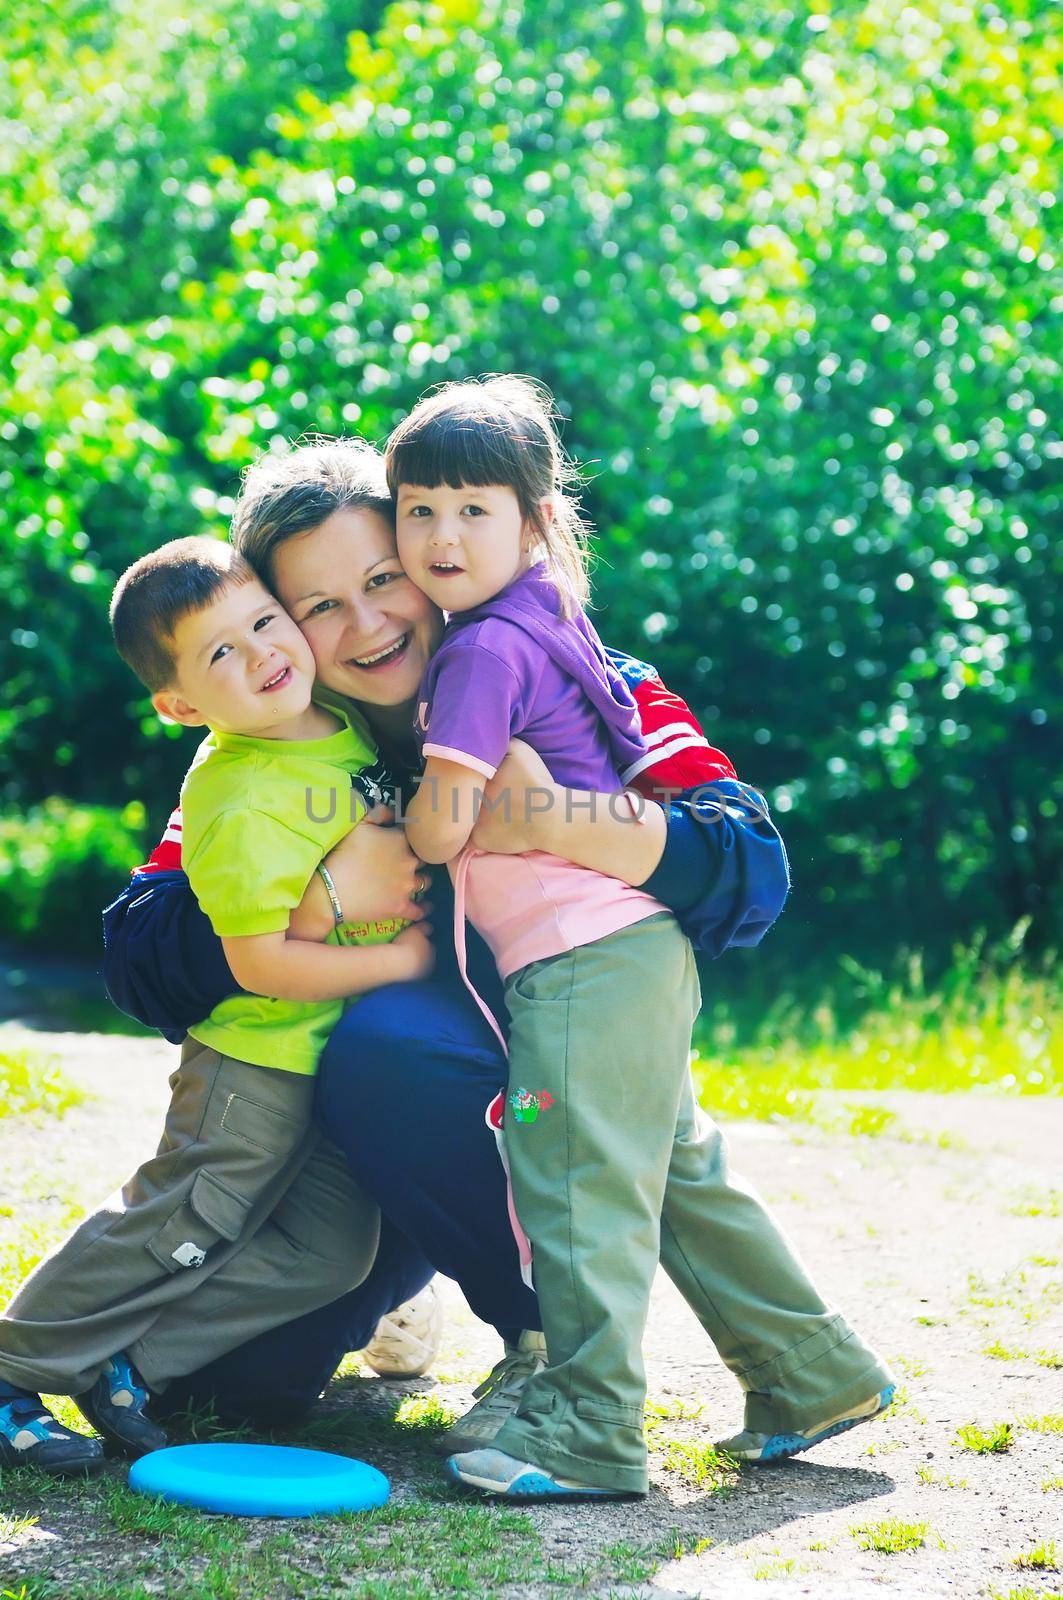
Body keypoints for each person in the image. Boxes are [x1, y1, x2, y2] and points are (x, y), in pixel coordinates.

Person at [99, 433, 890, 1482]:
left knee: (396, 1044)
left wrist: (562, 819)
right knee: (230, 1394)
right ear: (281, 623)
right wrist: (323, 897)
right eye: (320, 606)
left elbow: (748, 864)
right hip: (352, 1144)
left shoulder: (558, 672)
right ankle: (396, 1284)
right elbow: (139, 952)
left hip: (506, 1061)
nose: (368, 620)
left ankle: (546, 1346)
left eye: (383, 578)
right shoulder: (276, 749)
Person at [387, 377, 894, 1499]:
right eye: (418, 509)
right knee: (675, 1176)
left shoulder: (476, 653)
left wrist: (408, 810)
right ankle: (812, 1373)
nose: (441, 534)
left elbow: (446, 820)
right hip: (636, 946)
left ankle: (588, 1427)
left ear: (535, 515)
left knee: (576, 1184)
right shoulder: (552, 616)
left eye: (473, 508)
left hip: (579, 955)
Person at [0, 537, 433, 1477]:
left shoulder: (334, 723)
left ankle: (126, 1364)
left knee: (327, 1255)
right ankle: (13, 1367)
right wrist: (402, 958)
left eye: (264, 623)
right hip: (254, 1066)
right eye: (221, 654)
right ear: (182, 705)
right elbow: (262, 962)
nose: (263, 654)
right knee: (178, 1220)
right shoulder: (235, 792)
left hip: (327, 1064)